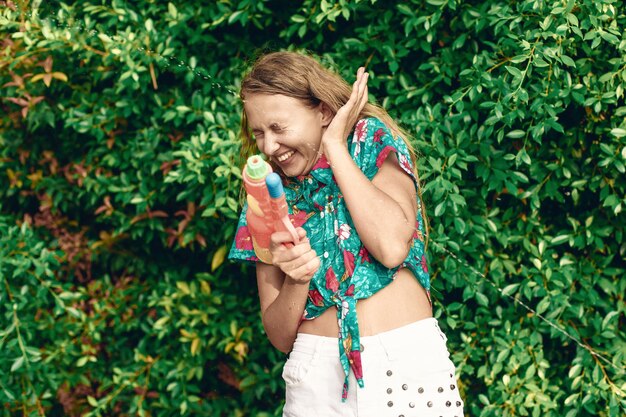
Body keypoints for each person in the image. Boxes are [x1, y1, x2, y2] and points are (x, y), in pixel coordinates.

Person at [228, 50, 465, 417]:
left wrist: (335, 147)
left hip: (405, 367)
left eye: (279, 128)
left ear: (323, 112)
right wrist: (296, 279)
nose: (268, 147)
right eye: (258, 133)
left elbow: (390, 247)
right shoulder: (266, 194)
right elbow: (279, 337)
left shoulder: (369, 141)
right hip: (315, 380)